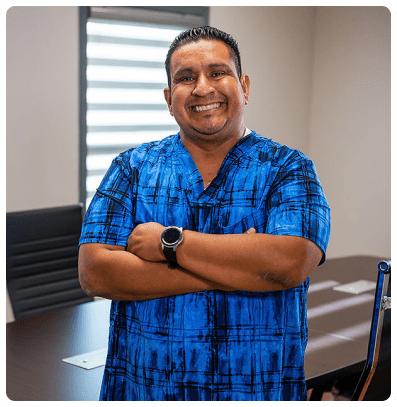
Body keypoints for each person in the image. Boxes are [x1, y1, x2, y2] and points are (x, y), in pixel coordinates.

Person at [78, 26, 331, 401]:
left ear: (244, 86)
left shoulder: (288, 168)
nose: (201, 88)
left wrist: (171, 243)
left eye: (217, 72)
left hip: (255, 387)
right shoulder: (132, 167)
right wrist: (238, 270)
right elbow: (95, 272)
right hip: (146, 388)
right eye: (185, 78)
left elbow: (289, 263)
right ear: (169, 97)